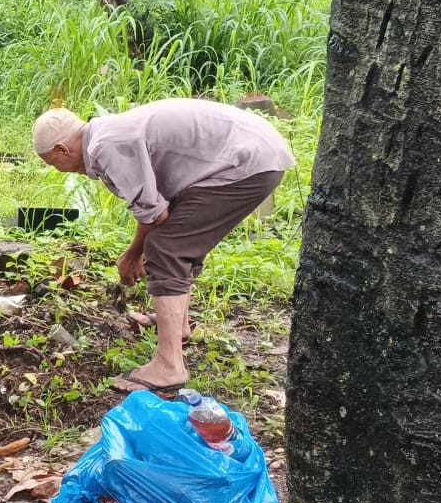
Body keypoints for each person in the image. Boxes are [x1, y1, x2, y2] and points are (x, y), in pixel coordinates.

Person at [32, 98, 294, 393]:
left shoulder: (106, 146)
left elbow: (155, 215)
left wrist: (133, 254)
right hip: (253, 152)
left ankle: (169, 366)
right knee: (176, 236)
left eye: (51, 163)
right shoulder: (105, 135)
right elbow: (160, 207)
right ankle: (178, 326)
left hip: (247, 162)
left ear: (62, 149)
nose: (57, 170)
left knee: (166, 247)